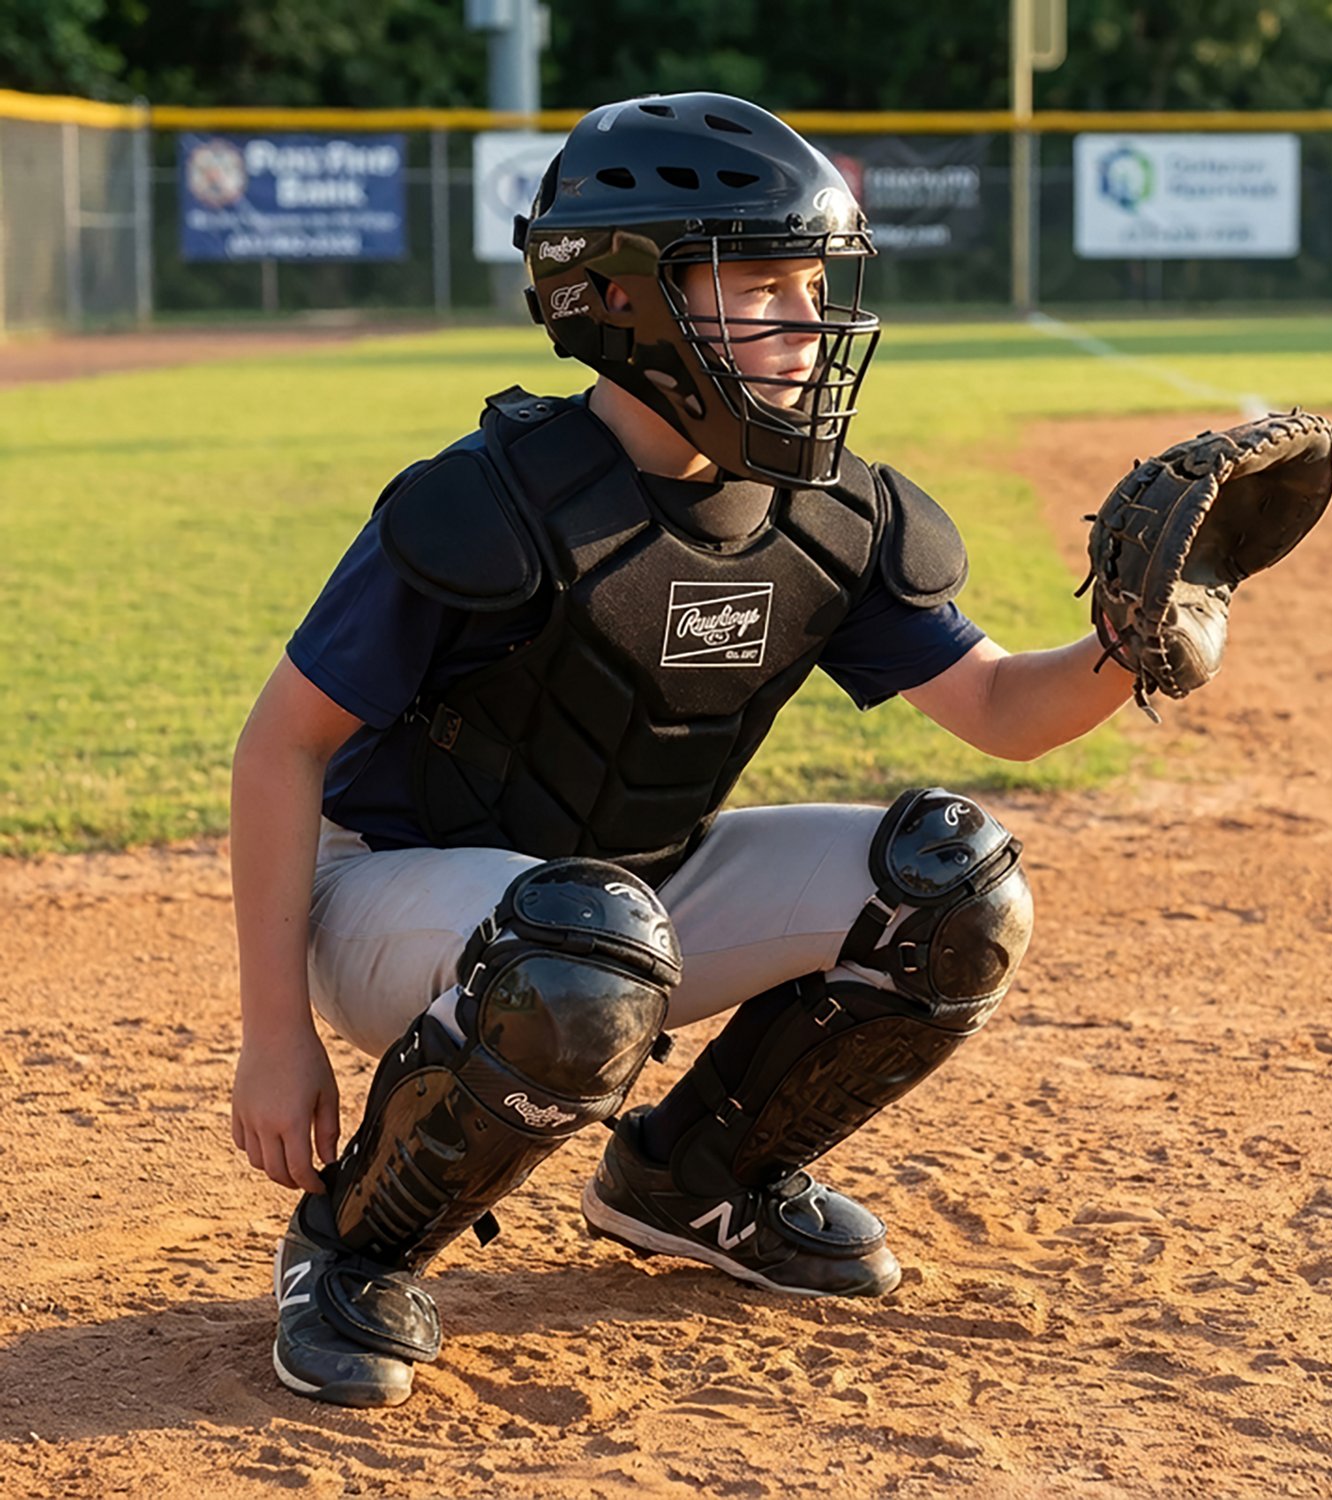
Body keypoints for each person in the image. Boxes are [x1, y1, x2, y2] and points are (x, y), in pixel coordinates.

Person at [230, 91, 1135, 1409]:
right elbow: (277, 750)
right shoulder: (487, 510)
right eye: (761, 286)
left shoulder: (827, 517)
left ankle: (693, 1181)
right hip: (390, 898)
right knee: (577, 946)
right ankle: (352, 1247)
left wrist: (1136, 639)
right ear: (628, 300)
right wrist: (274, 1040)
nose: (806, 325)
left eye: (812, 286)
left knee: (952, 889)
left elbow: (1003, 710)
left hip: (622, 898)